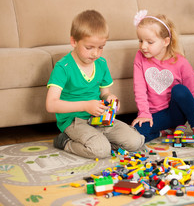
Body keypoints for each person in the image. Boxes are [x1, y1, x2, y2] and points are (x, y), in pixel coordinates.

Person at [46, 10, 145, 159]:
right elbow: (51, 105)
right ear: (74, 41)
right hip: (74, 121)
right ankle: (65, 141)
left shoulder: (101, 64)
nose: (95, 54)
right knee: (100, 151)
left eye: (101, 47)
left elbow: (104, 93)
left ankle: (99, 141)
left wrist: (110, 98)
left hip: (99, 118)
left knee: (136, 141)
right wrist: (85, 106)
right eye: (89, 47)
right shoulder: (63, 67)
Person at [131, 10, 194, 143]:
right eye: (140, 40)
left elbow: (193, 92)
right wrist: (144, 113)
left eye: (150, 42)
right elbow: (139, 88)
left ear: (166, 41)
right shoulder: (140, 57)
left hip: (176, 113)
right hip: (154, 114)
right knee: (136, 134)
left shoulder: (181, 62)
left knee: (180, 90)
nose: (143, 46)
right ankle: (164, 131)